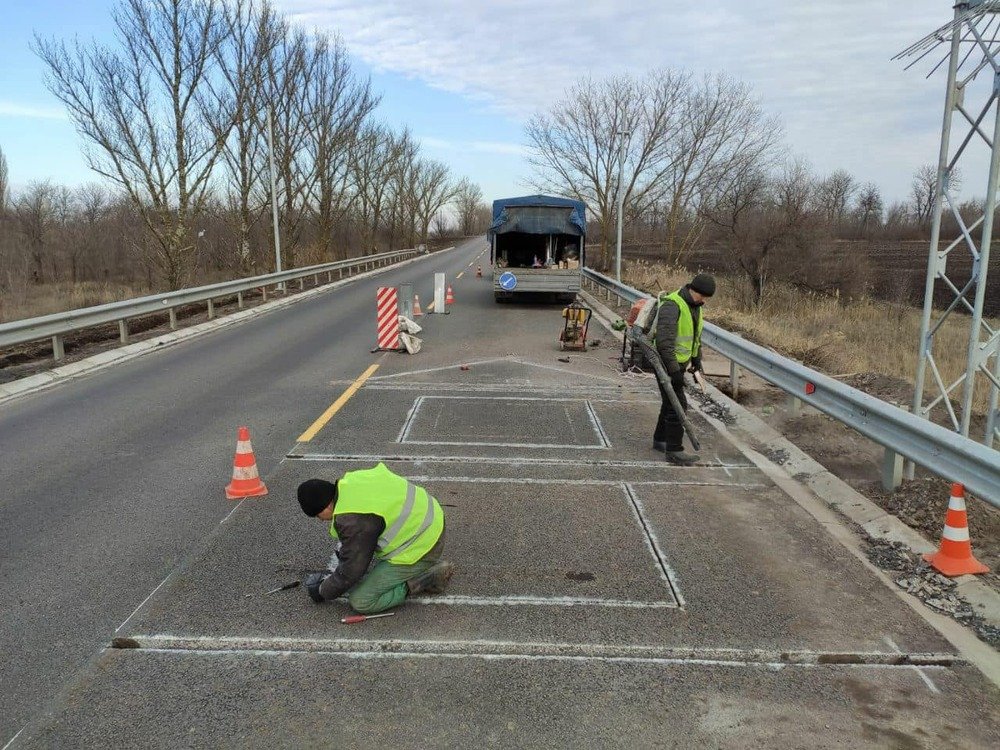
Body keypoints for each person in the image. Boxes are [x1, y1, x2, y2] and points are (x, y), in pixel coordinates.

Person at [297, 463, 453, 614]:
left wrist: (323, 591)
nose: (320, 519)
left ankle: (426, 577)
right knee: (360, 563)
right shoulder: (351, 481)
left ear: (326, 507)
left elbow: (351, 572)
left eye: (318, 515)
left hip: (424, 546)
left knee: (361, 600)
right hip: (431, 520)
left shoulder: (352, 520)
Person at [652, 273, 715, 465]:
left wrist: (696, 360)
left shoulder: (695, 306)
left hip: (680, 363)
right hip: (665, 363)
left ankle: (660, 439)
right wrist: (674, 372)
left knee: (670, 401)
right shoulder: (673, 305)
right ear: (693, 290)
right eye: (703, 296)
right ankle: (674, 450)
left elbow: (695, 336)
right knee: (678, 404)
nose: (704, 301)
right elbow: (664, 343)